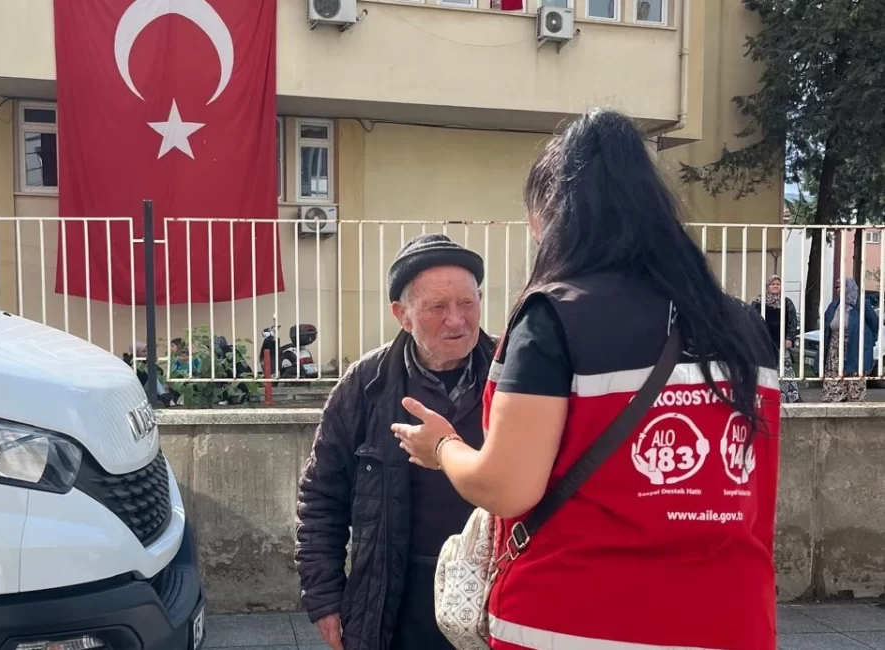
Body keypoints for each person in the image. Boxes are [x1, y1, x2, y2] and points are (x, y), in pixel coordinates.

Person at [392, 109, 781, 650]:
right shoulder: (743, 328)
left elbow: (507, 487)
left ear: (554, 215)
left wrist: (444, 448)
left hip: (576, 620)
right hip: (728, 620)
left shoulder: (554, 317)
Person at [295, 233, 495, 650]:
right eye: (437, 307)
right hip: (395, 597)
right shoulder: (364, 386)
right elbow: (319, 499)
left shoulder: (514, 375)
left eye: (467, 302)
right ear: (402, 314)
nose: (457, 320)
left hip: (496, 591)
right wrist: (326, 600)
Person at [820, 277, 878, 403]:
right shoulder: (834, 305)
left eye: (842, 286)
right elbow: (827, 322)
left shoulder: (861, 304)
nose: (838, 289)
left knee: (854, 373)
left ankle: (854, 401)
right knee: (835, 373)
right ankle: (835, 399)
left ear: (849, 287)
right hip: (835, 345)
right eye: (837, 287)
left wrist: (869, 341)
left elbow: (874, 323)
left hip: (855, 345)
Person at [751, 274, 802, 403]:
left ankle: (787, 397)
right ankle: (764, 396)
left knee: (784, 371)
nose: (775, 286)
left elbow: (792, 322)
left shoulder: (786, 302)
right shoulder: (758, 302)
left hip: (781, 342)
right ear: (767, 286)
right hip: (763, 342)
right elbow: (751, 320)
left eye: (778, 284)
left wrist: (789, 338)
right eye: (773, 284)